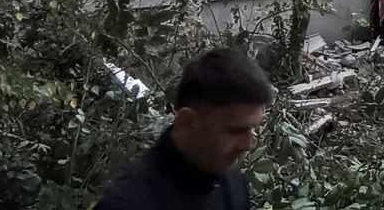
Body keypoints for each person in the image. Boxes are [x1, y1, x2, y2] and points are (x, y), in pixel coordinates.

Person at [94, 48, 274, 209]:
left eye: (252, 129)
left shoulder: (234, 185)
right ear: (188, 122)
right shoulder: (127, 203)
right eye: (235, 131)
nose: (247, 145)